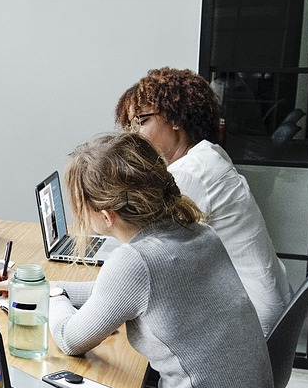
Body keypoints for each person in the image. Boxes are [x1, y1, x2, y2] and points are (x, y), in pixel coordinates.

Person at [0, 133, 273, 388]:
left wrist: (51, 297)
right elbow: (114, 294)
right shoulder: (197, 234)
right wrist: (46, 287)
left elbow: (70, 338)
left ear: (106, 215)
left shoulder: (135, 263)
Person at [116, 67, 291, 335]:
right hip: (265, 305)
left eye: (142, 121)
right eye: (131, 125)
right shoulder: (209, 154)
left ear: (175, 118)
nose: (135, 135)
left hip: (252, 322)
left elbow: (146, 254)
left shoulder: (191, 172)